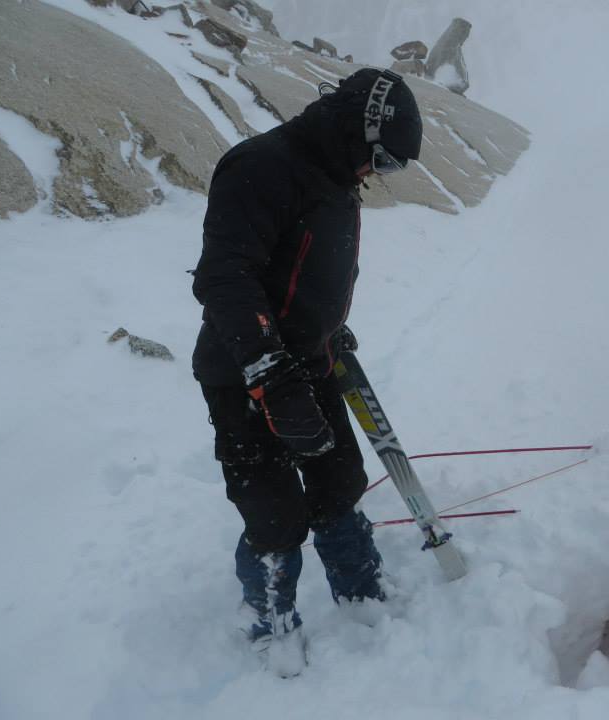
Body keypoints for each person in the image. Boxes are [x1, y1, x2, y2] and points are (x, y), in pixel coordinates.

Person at [191, 68, 423, 670]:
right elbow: (225, 278)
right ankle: (271, 624)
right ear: (357, 130)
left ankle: (361, 591)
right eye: (382, 160)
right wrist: (269, 372)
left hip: (310, 362)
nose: (378, 174)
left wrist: (325, 330)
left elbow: (302, 269)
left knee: (338, 483)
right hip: (245, 373)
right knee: (273, 512)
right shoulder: (260, 166)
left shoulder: (336, 174)